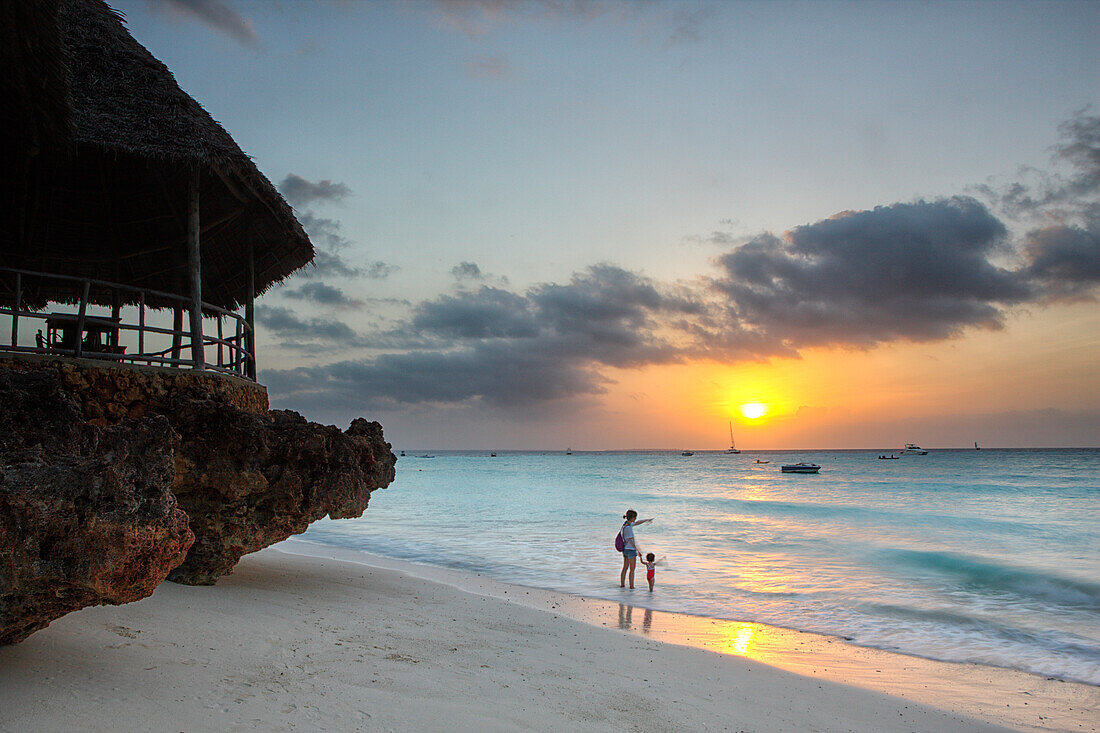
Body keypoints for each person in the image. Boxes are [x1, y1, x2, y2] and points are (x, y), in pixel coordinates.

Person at [619, 509, 652, 589]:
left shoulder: (625, 525)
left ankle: (622, 585)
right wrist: (638, 550)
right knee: (632, 570)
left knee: (625, 568)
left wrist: (646, 520)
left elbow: (637, 523)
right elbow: (631, 540)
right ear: (633, 517)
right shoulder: (629, 528)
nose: (636, 519)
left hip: (625, 549)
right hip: (631, 550)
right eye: (635, 517)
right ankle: (631, 587)